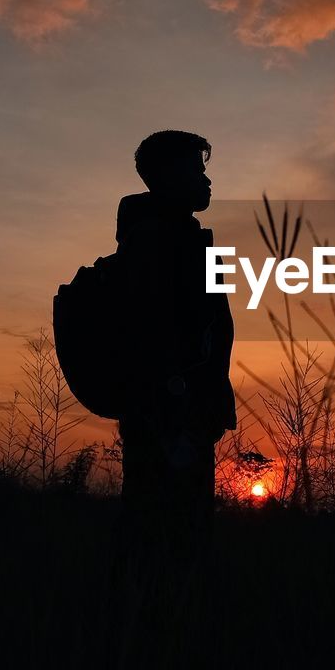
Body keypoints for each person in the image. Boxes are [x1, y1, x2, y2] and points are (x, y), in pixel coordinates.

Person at [113, 129, 236, 553]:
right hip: (171, 414)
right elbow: (158, 334)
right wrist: (178, 412)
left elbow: (210, 325)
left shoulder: (182, 237)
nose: (207, 182)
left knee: (174, 534)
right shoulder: (156, 241)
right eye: (196, 171)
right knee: (169, 538)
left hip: (183, 412)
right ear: (168, 176)